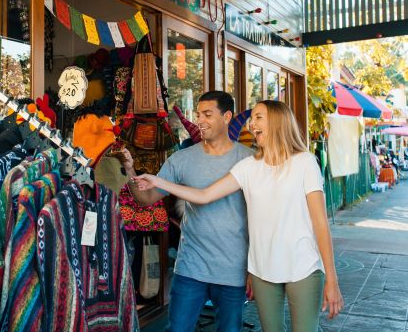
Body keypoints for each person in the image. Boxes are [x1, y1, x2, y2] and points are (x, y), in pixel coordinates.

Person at [132, 100, 344, 332]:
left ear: (278, 121)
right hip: (263, 270)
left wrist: (332, 280)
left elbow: (320, 223)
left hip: (303, 267)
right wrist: (159, 181)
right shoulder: (248, 166)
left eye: (258, 118)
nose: (251, 124)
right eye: (251, 119)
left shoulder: (304, 162)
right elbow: (204, 195)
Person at [112, 91, 253, 332]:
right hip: (191, 267)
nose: (201, 120)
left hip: (233, 268)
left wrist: (253, 268)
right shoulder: (181, 159)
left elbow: (258, 218)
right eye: (199, 115)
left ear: (227, 116)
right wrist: (131, 171)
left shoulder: (249, 159)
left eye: (208, 114)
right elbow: (146, 199)